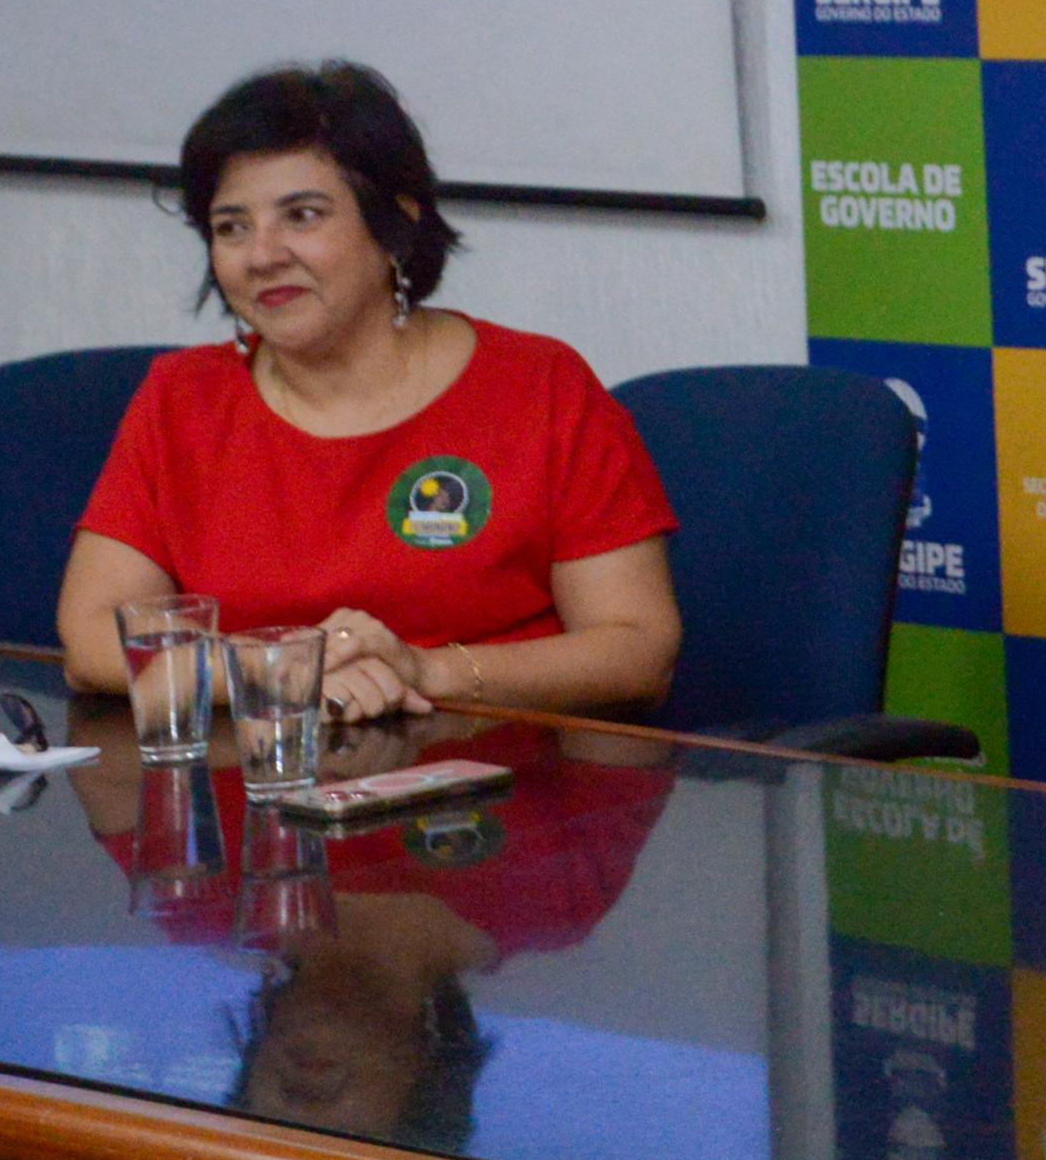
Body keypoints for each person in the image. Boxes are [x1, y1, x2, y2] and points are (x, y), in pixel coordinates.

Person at [57, 63, 683, 727]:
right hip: (262, 799)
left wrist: (425, 670)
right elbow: (94, 642)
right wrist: (283, 668)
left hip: (502, 793)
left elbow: (638, 650)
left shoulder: (541, 387)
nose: (262, 254)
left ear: (396, 226)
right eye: (232, 226)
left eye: (302, 216)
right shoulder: (182, 398)